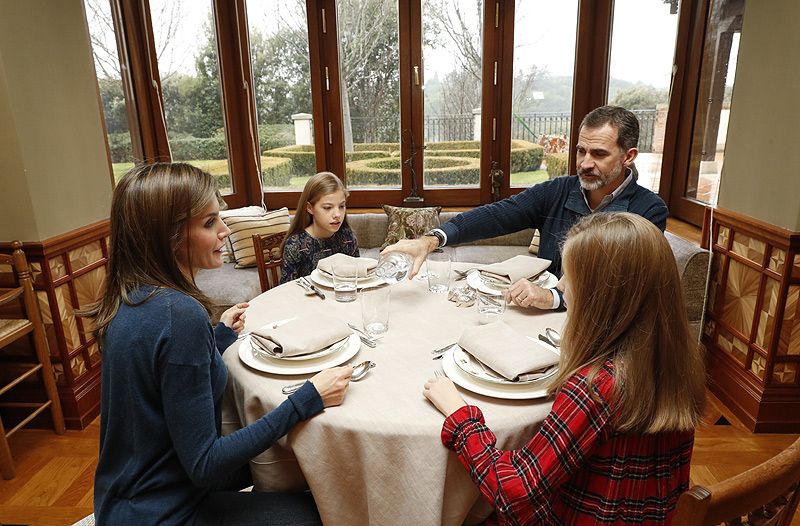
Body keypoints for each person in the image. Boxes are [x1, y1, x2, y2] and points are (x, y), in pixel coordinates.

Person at [88, 163, 353, 525]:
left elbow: (169, 377)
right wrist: (308, 399)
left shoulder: (133, 297)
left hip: (125, 498)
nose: (226, 231)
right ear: (169, 236)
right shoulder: (179, 315)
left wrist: (218, 337)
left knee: (290, 468)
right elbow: (206, 464)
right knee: (330, 509)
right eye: (210, 222)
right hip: (166, 510)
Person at [423, 212, 706, 525]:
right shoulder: (679, 358)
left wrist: (461, 417)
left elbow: (513, 491)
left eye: (570, 277)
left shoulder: (596, 389)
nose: (559, 284)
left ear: (599, 297)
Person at [383, 105, 668, 311]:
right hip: (537, 316)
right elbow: (497, 215)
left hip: (598, 333)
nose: (584, 163)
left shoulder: (649, 211)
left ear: (628, 156)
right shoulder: (557, 190)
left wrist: (553, 297)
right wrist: (432, 239)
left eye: (599, 154)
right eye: (581, 151)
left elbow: (617, 284)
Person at [280, 171, 359, 284]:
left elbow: (358, 279)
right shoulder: (295, 245)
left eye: (341, 206)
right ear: (310, 208)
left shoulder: (347, 237)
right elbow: (286, 291)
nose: (337, 214)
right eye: (327, 207)